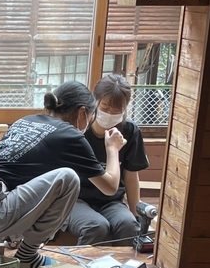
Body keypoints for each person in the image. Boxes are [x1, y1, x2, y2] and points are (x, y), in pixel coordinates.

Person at [0, 81, 122, 268]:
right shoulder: (71, 136)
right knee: (68, 178)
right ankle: (27, 257)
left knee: (13, 185)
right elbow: (110, 187)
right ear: (81, 113)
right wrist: (112, 148)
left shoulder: (26, 121)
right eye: (92, 114)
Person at [63, 74, 148, 244]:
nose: (109, 113)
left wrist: (137, 213)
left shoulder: (130, 131)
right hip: (76, 199)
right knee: (96, 226)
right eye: (105, 107)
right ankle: (81, 262)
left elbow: (131, 176)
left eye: (116, 110)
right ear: (94, 101)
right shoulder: (79, 129)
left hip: (111, 202)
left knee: (129, 225)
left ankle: (121, 263)